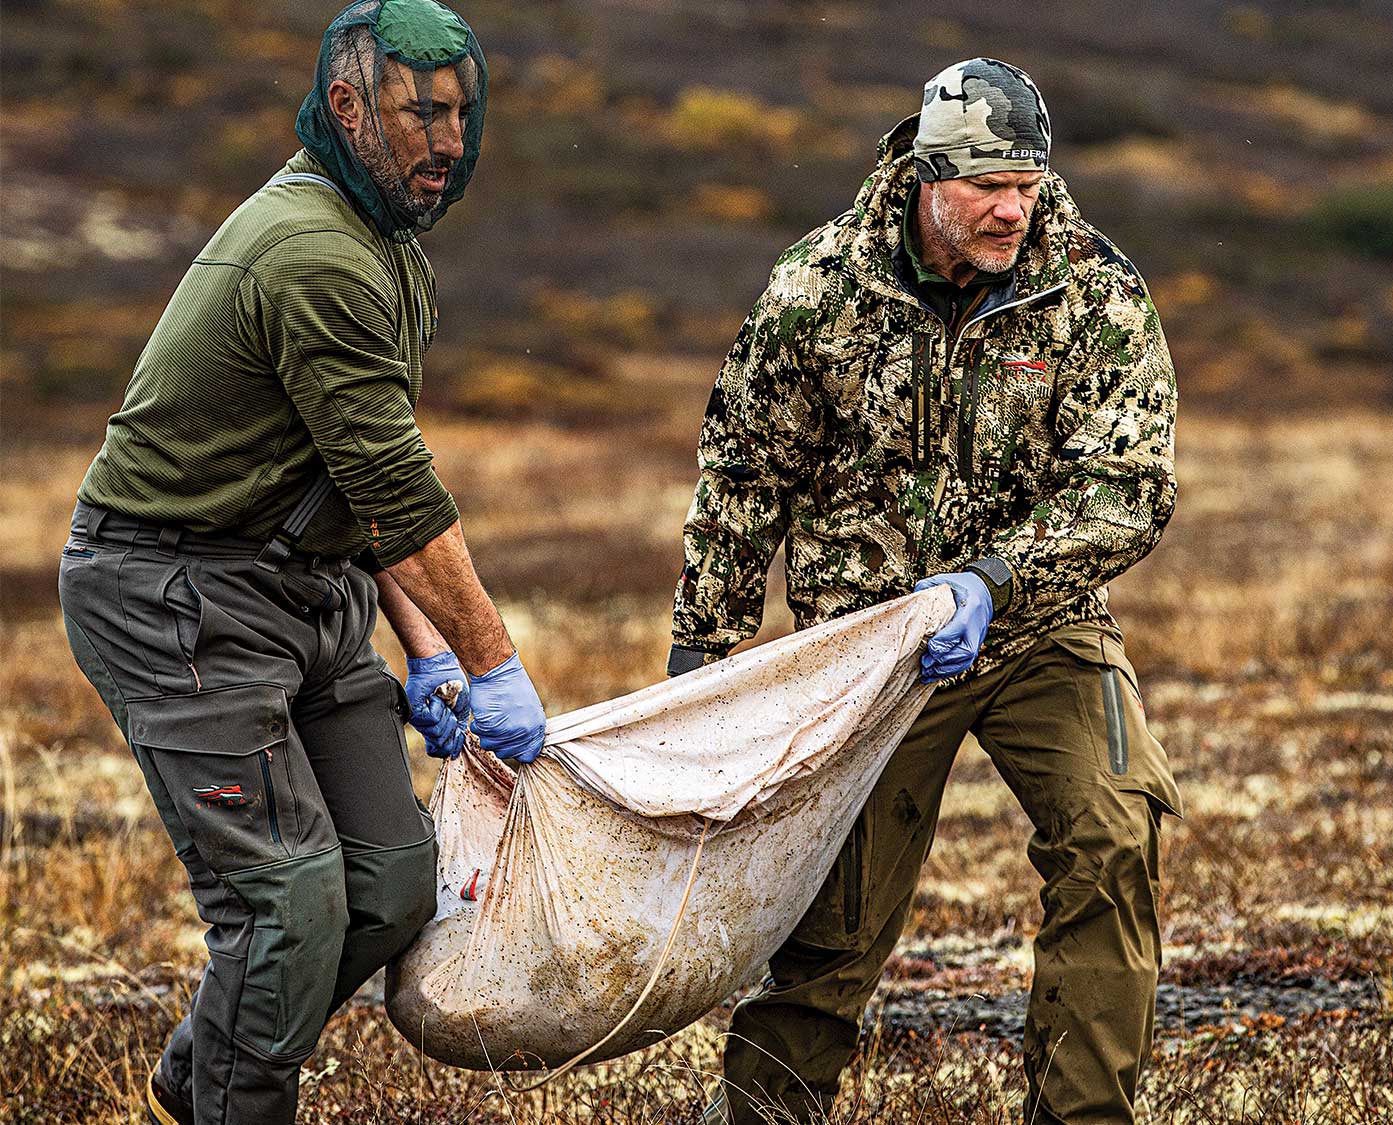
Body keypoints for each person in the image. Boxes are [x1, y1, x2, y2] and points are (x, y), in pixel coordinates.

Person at [668, 58, 1184, 1125]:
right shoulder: (819, 288)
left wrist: (997, 582)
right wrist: (700, 658)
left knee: (1115, 829)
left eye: (1029, 187)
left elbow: (1130, 486)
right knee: (834, 924)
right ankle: (765, 1114)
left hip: (1038, 623)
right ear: (925, 176)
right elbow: (745, 474)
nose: (1012, 210)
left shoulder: (1094, 286)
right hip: (870, 650)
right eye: (989, 186)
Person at [56, 3, 545, 1122]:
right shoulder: (314, 250)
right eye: (422, 114)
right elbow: (399, 493)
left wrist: (427, 659)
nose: (448, 143)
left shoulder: (386, 248)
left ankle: (203, 1073)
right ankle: (236, 1095)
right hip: (175, 597)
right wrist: (495, 660)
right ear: (348, 108)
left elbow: (356, 486)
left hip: (305, 592)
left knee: (388, 888)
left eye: (462, 115)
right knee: (289, 908)